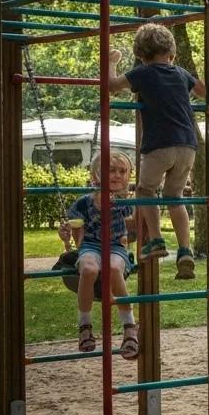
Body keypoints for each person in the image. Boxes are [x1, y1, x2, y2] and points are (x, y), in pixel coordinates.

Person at [108, 23, 206, 280]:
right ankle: (185, 250)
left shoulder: (143, 73)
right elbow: (204, 91)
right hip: (187, 145)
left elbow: (111, 86)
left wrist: (112, 61)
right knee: (175, 196)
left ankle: (157, 240)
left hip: (158, 145)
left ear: (141, 54)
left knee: (146, 191)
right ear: (171, 51)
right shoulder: (182, 73)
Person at [62, 151, 138, 360]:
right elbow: (72, 233)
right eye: (111, 170)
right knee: (88, 268)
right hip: (90, 247)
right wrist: (65, 234)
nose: (117, 175)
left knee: (113, 268)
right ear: (96, 174)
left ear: (128, 176)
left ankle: (130, 326)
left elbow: (134, 232)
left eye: (123, 171)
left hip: (116, 248)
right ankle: (84, 324)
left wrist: (131, 231)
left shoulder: (127, 204)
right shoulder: (84, 203)